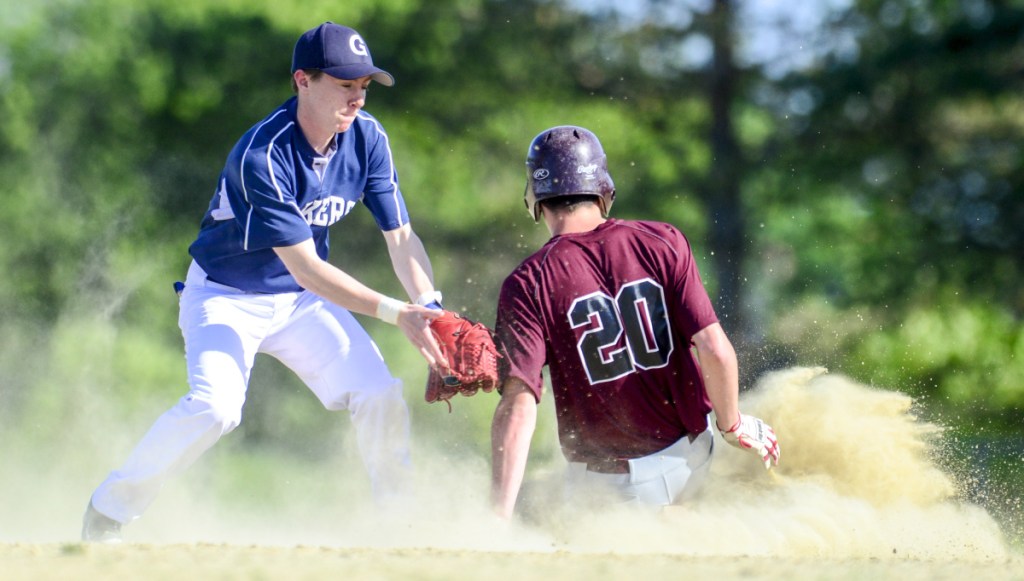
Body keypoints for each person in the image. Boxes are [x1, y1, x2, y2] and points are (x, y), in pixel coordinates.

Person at [81, 21, 448, 542]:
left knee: (378, 393)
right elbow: (307, 267)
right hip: (225, 297)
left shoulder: (367, 139)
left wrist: (431, 305)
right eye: (345, 84)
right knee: (215, 408)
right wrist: (396, 314)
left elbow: (401, 236)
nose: (359, 97)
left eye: (364, 85)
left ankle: (401, 526)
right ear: (303, 80)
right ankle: (108, 512)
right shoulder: (264, 153)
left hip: (299, 305)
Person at [490, 126, 780, 519]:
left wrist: (497, 516)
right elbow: (713, 349)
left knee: (539, 523)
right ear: (603, 188)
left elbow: (518, 408)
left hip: (607, 491)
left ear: (535, 198)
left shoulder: (528, 282)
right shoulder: (661, 240)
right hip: (693, 462)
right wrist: (733, 425)